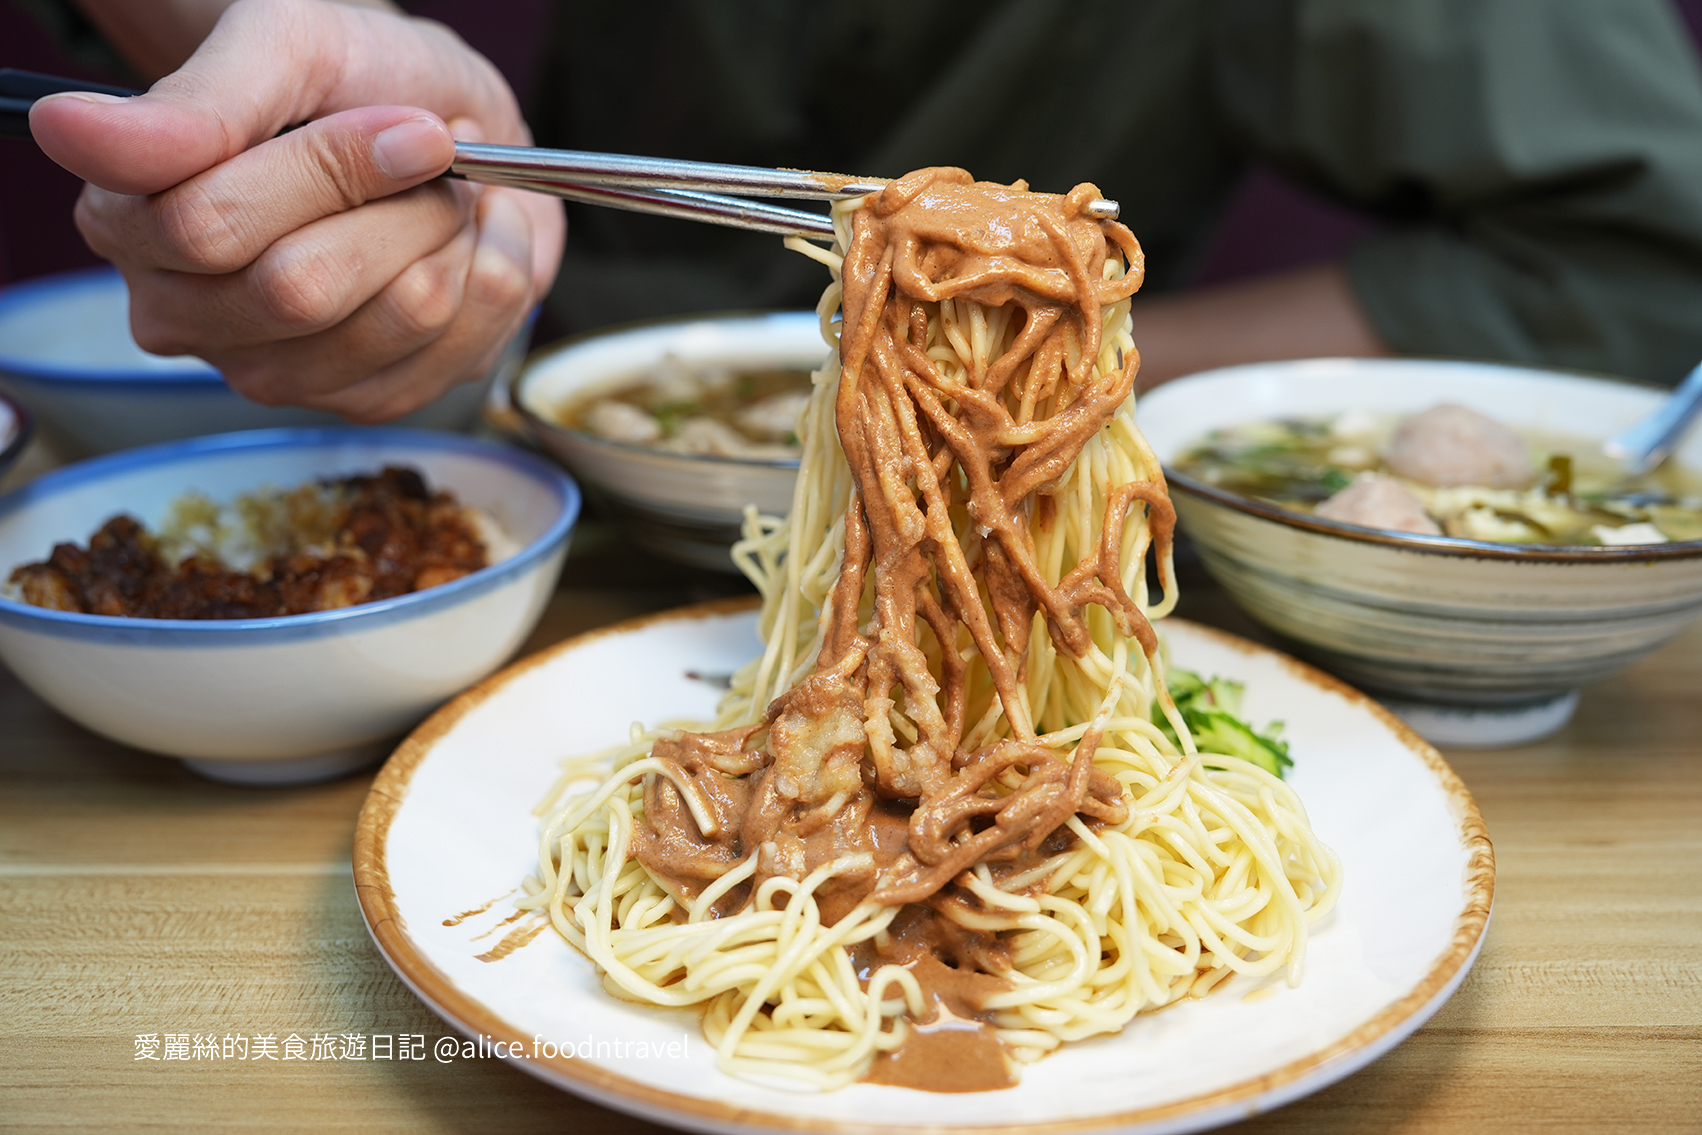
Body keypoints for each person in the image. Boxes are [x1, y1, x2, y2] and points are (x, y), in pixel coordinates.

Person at [24, 0, 1702, 423]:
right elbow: (274, 53)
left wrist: (996, 376)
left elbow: (1643, 261)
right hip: (515, 430)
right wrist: (261, 88)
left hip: (1059, 495)